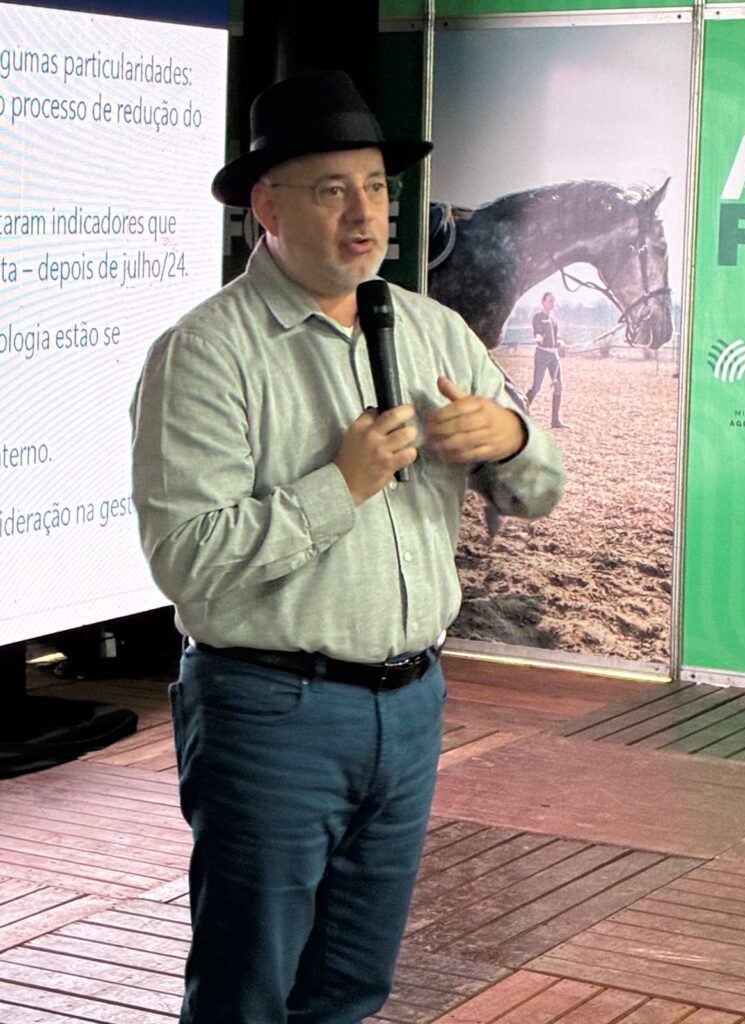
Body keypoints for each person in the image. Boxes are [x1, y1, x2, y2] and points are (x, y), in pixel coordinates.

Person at [130, 70, 565, 1024]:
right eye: (333, 190)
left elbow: (540, 491)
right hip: (269, 711)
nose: (366, 215)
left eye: (375, 186)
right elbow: (186, 558)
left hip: (412, 707)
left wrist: (512, 440)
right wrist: (341, 485)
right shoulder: (205, 353)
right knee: (248, 991)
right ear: (267, 208)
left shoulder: (433, 328)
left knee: (351, 989)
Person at [526, 291, 567, 428]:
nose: (552, 303)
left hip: (554, 356)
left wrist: (560, 343)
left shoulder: (554, 319)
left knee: (558, 386)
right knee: (536, 387)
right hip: (542, 355)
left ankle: (555, 420)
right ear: (543, 302)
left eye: (553, 301)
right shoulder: (538, 317)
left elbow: (557, 337)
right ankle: (521, 411)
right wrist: (538, 337)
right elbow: (537, 332)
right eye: (549, 301)